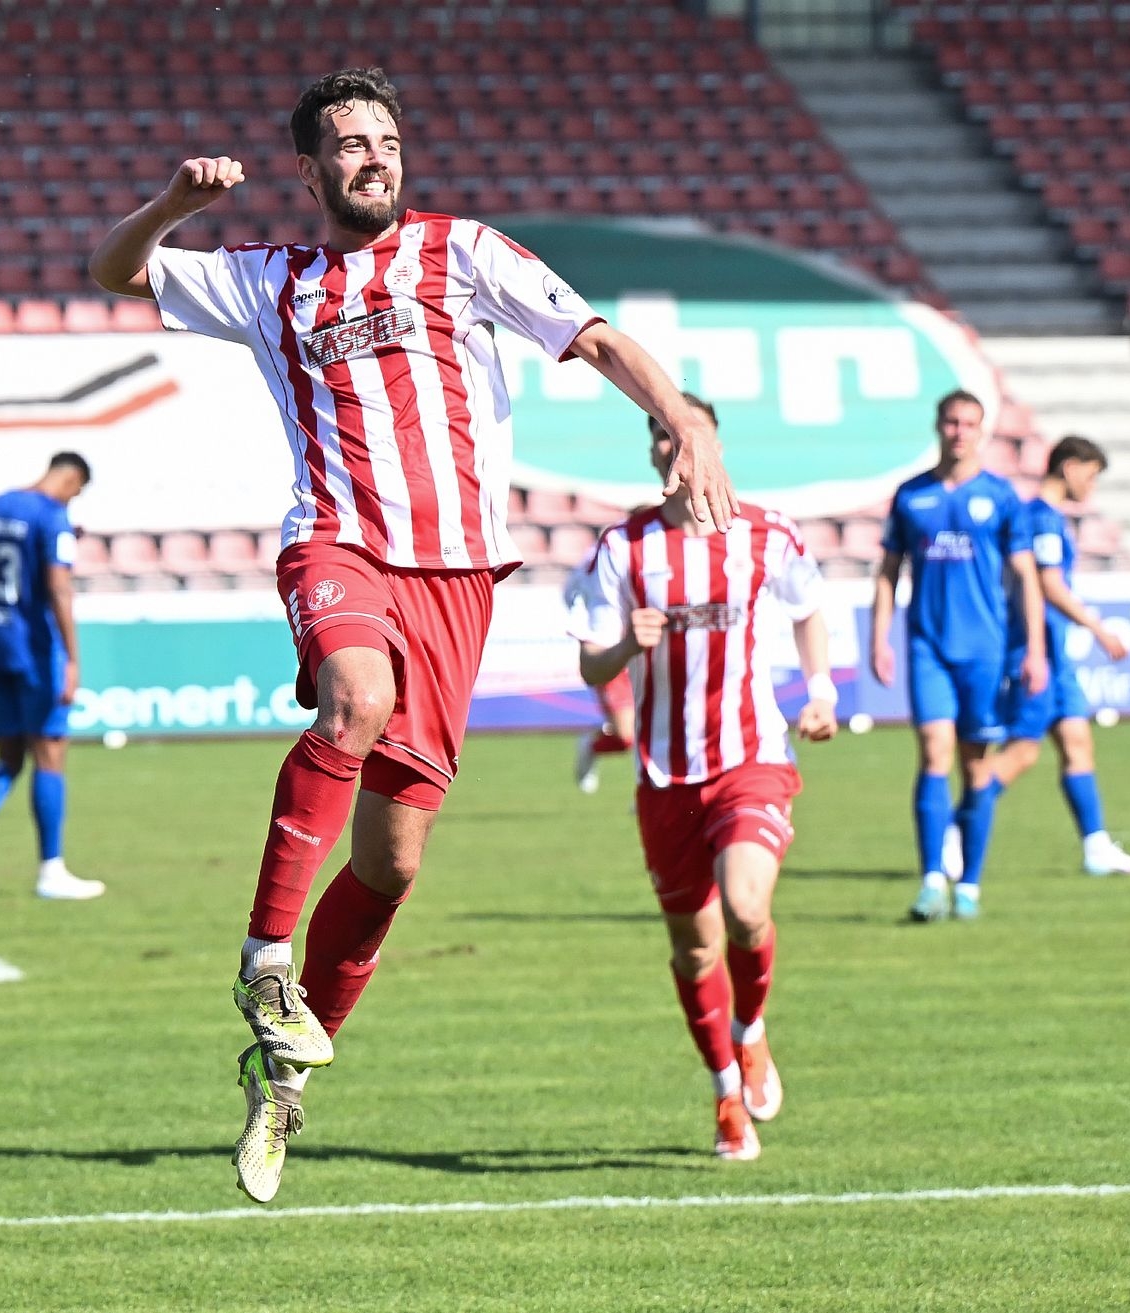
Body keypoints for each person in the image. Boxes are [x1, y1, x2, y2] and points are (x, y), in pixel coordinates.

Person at [89, 66, 734, 1202]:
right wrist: (176, 206)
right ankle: (265, 958)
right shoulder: (269, 280)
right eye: (349, 143)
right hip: (338, 545)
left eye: (386, 140)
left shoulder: (463, 252)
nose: (374, 157)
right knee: (355, 698)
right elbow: (115, 268)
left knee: (391, 862)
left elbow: (592, 337)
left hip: (457, 580)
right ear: (309, 170)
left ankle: (285, 1074)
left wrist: (681, 416)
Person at [573, 403, 838, 1160]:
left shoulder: (768, 532)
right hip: (665, 775)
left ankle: (751, 1031)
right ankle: (726, 1089)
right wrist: (625, 646)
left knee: (748, 910)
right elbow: (591, 663)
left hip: (751, 756)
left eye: (687, 432)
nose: (674, 445)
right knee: (695, 950)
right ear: (653, 452)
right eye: (662, 433)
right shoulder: (623, 546)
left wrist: (821, 689)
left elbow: (810, 608)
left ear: (714, 446)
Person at [870, 391, 1045, 923]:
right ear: (938, 426)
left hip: (985, 651)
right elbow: (888, 572)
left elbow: (1025, 575)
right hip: (928, 645)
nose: (959, 432)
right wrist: (879, 637)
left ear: (982, 431)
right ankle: (931, 881)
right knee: (933, 752)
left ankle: (969, 883)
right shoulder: (911, 495)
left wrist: (1035, 649)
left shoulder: (1001, 496)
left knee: (976, 767)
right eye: (951, 422)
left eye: (970, 423)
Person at [974, 436, 1130, 876]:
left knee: (1077, 741)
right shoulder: (1040, 518)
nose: (1092, 486)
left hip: (1056, 654)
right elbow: (1049, 586)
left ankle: (1096, 847)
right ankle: (959, 830)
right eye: (1091, 476)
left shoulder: (1047, 517)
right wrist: (1099, 629)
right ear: (1070, 467)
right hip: (1036, 652)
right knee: (1022, 752)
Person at [0, 452, 104, 902]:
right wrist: (72, 659)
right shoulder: (53, 517)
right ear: (72, 480)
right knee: (50, 753)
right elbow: (58, 587)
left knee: (10, 757)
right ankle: (52, 870)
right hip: (36, 650)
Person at [564, 545, 635, 793]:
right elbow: (571, 593)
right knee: (625, 737)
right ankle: (591, 746)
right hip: (613, 652)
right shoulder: (603, 553)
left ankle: (650, 792)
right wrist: (592, 631)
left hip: (649, 650)